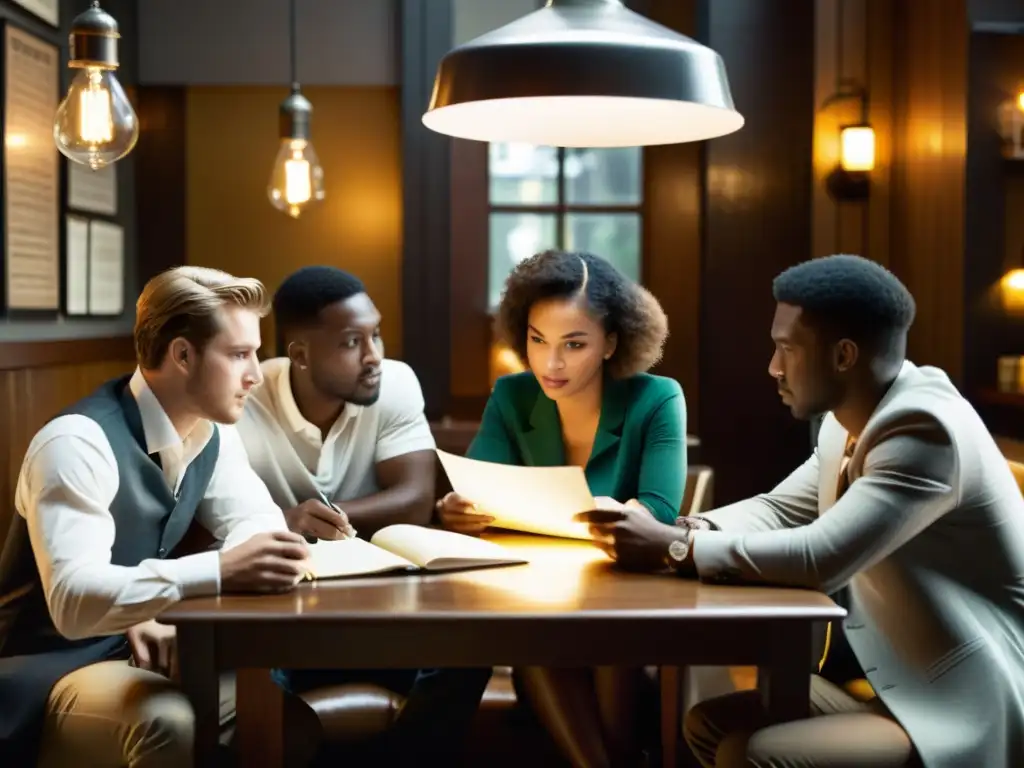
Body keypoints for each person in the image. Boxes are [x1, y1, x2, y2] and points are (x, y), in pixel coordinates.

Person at [586, 254, 1024, 768]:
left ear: (843, 356)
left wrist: (675, 547)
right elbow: (779, 509)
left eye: (786, 348)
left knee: (753, 754)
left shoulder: (923, 430)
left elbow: (822, 556)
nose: (773, 367)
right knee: (710, 726)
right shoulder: (850, 418)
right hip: (891, 682)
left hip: (959, 706)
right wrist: (691, 525)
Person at [0, 267, 311, 766]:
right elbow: (73, 602)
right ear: (183, 355)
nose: (256, 373)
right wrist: (211, 574)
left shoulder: (212, 432)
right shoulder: (76, 443)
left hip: (133, 649)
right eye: (238, 355)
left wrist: (153, 608)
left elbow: (260, 525)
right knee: (167, 723)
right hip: (42, 668)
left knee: (285, 724)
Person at [436, 249, 687, 767]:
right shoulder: (510, 396)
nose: (550, 364)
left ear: (611, 342)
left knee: (599, 642)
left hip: (626, 597)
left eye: (574, 345)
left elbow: (661, 512)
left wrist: (624, 513)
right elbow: (482, 489)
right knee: (535, 637)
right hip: (540, 598)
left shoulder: (657, 398)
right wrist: (458, 509)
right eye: (537, 340)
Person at [237, 265, 492, 765]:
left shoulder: (394, 383)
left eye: (376, 334)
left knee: (470, 652)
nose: (375, 355)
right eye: (353, 342)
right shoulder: (245, 398)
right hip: (286, 612)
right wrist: (286, 519)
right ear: (301, 355)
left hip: (385, 609)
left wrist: (317, 518)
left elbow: (415, 498)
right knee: (249, 671)